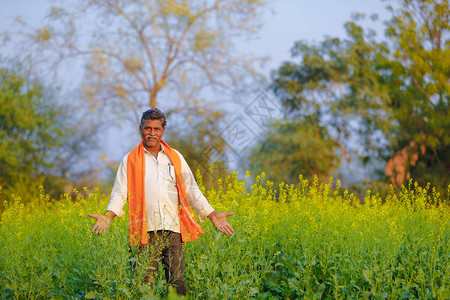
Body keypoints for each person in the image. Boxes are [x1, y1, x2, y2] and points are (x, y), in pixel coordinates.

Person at [88, 108, 234, 296]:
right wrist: (108, 217)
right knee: (143, 287)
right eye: (148, 128)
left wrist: (212, 215)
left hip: (174, 232)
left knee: (177, 286)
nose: (152, 133)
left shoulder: (176, 158)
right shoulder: (129, 160)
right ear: (140, 129)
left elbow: (191, 190)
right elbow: (119, 194)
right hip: (145, 233)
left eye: (156, 129)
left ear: (163, 131)